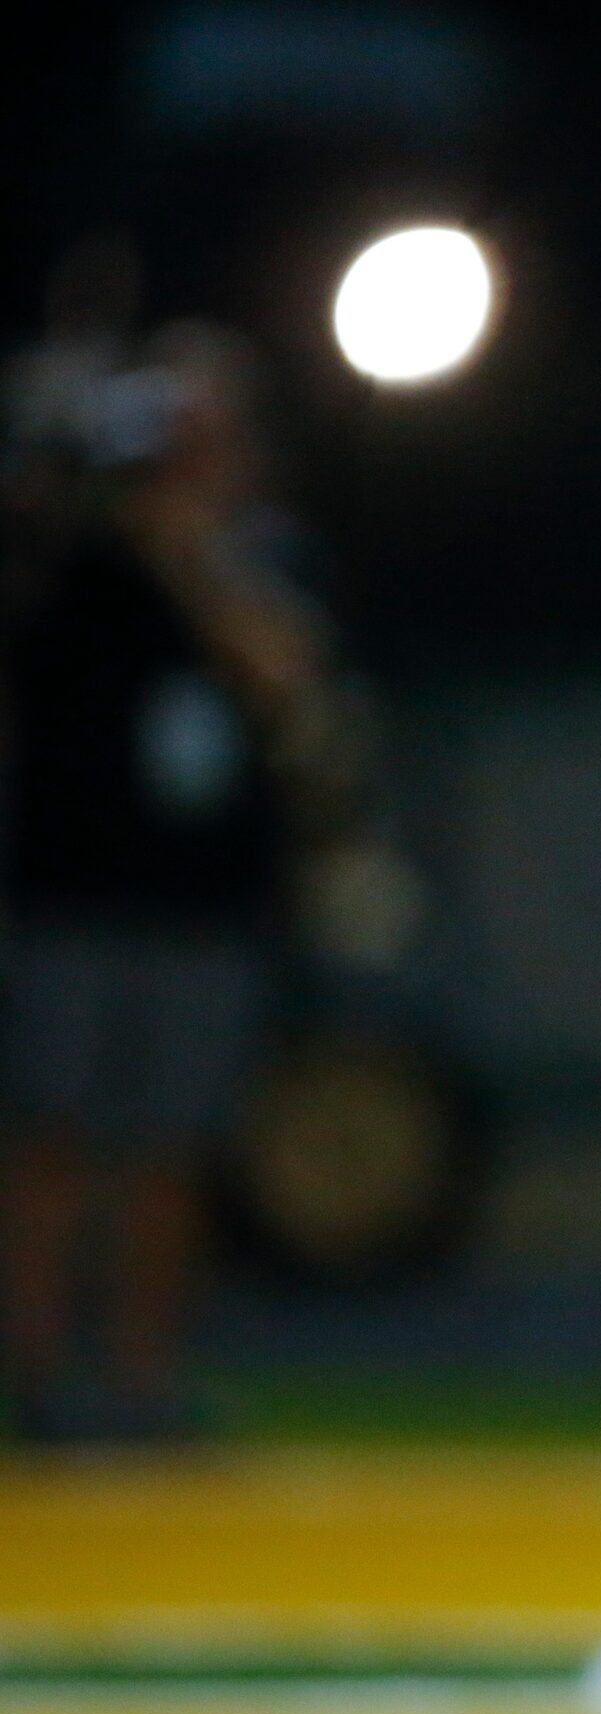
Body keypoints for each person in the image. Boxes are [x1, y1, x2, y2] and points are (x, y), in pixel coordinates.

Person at [1, 249, 344, 1442]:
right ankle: (36, 1387)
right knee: (44, 1144)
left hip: (200, 902)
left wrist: (183, 540)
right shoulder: (73, 552)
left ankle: (144, 1385)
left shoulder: (258, 552)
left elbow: (286, 673)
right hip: (68, 888)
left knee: (170, 1154)